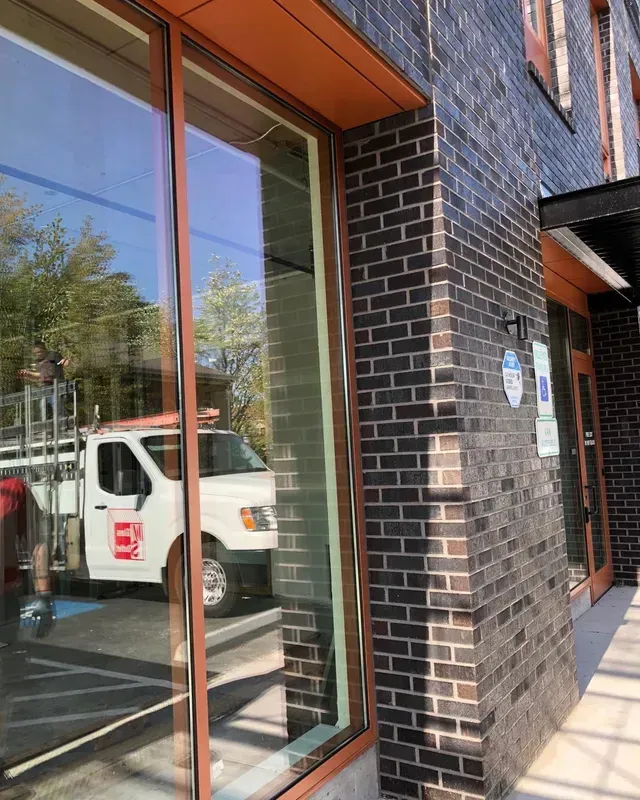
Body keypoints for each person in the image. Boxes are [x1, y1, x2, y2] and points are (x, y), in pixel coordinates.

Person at [0, 477, 54, 767]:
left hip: (3, 604)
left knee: (2, 685)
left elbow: (37, 541)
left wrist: (44, 595)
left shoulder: (13, 490)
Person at [17, 340, 70, 420]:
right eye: (36, 353)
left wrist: (67, 361)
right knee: (43, 407)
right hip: (45, 389)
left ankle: (65, 423)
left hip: (56, 387)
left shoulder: (53, 355)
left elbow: (63, 363)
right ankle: (48, 427)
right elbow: (40, 376)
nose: (38, 354)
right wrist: (28, 374)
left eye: (40, 352)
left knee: (56, 406)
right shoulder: (38, 362)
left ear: (44, 349)